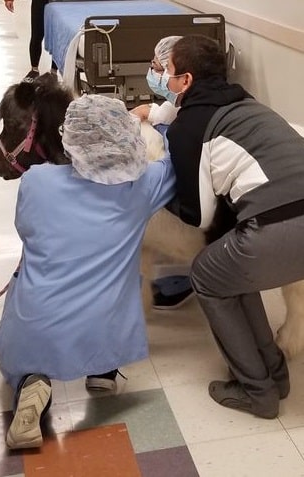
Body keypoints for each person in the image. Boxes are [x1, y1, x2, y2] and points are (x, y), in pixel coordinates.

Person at [0, 94, 176, 449]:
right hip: (106, 327)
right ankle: (103, 372)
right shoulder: (142, 186)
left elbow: (27, 230)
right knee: (112, 295)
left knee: (29, 316)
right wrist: (162, 115)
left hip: (35, 329)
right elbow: (172, 162)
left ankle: (32, 385)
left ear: (69, 137)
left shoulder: (36, 181)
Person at [163, 34, 304, 418]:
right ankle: (274, 371)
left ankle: (256, 390)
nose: (164, 77)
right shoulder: (246, 103)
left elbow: (200, 215)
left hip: (281, 228)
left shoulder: (188, 127)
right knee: (232, 273)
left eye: (168, 71)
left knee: (206, 274)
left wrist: (163, 197)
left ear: (186, 81)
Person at [132, 36, 194, 310]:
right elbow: (164, 112)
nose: (154, 73)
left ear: (185, 78)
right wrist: (147, 112)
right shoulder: (179, 105)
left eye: (160, 68)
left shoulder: (191, 122)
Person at [4, 0, 58, 82]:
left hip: (60, 3)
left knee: (56, 36)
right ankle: (34, 70)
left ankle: (54, 72)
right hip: (39, 3)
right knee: (37, 34)